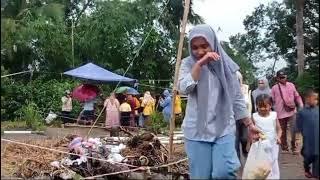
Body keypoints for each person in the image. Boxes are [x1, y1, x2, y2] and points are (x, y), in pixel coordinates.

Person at [178, 24, 261, 179]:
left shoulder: (227, 67)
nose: (200, 51)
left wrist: (249, 125)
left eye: (204, 46)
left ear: (213, 43)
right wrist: (199, 64)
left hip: (223, 128)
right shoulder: (187, 64)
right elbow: (184, 88)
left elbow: (236, 97)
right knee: (201, 176)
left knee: (224, 172)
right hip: (196, 130)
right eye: (195, 47)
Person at [271, 70, 303, 153]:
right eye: (281, 77)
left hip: (292, 111)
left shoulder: (291, 85)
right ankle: (284, 147)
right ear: (277, 78)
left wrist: (301, 105)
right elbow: (272, 100)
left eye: (284, 76)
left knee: (294, 129)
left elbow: (297, 96)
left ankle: (294, 146)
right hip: (280, 113)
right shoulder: (274, 88)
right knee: (282, 131)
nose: (283, 79)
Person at [252, 94, 282, 179]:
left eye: (265, 106)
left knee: (273, 161)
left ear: (270, 105)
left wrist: (278, 137)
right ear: (256, 106)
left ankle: (275, 177)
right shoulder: (254, 116)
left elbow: (279, 129)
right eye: (259, 106)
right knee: (262, 164)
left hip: (273, 144)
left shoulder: (274, 115)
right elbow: (251, 132)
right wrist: (252, 140)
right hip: (260, 145)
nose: (262, 109)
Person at [296, 89, 319, 178]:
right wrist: (298, 139)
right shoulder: (301, 112)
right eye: (314, 99)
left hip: (317, 137)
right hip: (307, 138)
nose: (316, 101)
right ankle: (306, 168)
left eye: (317, 99)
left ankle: (316, 174)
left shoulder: (318, 110)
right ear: (307, 99)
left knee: (317, 154)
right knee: (308, 155)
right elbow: (298, 127)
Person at [235, 71, 251, 162]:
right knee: (235, 140)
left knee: (244, 138)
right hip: (233, 119)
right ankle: (237, 162)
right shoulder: (228, 89)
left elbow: (250, 103)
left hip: (245, 117)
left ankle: (245, 150)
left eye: (238, 79)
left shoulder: (245, 88)